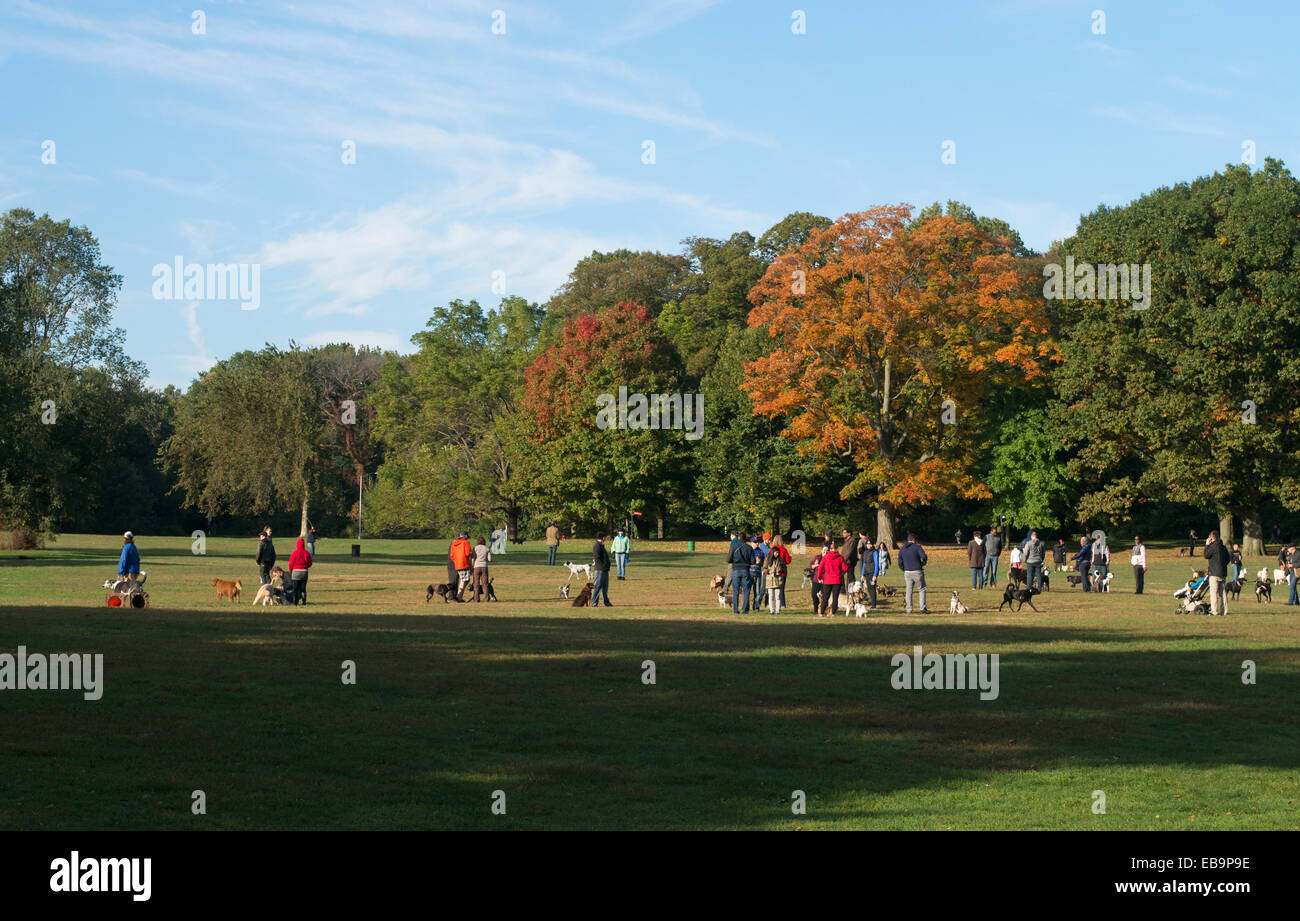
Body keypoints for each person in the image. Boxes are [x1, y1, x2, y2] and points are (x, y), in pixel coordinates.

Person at [898, 533, 930, 614]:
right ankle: (922, 608)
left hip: (907, 572)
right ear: (914, 540)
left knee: (909, 590)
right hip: (917, 571)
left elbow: (899, 561)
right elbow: (924, 556)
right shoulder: (917, 547)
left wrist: (904, 569)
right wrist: (923, 563)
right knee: (922, 589)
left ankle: (908, 609)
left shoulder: (902, 548)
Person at [816, 541, 849, 616]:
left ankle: (821, 613)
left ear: (830, 549)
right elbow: (845, 568)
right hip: (837, 580)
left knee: (825, 597)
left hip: (827, 580)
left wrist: (819, 577)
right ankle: (832, 613)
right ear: (837, 549)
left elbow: (820, 567)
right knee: (835, 597)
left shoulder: (826, 557)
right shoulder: (840, 557)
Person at [726, 533, 755, 614]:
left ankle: (735, 610)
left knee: (735, 592)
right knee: (746, 592)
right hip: (745, 570)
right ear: (745, 538)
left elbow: (728, 559)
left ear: (738, 538)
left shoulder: (733, 547)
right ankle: (745, 610)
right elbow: (753, 562)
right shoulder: (749, 548)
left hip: (735, 571)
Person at [1204, 531, 1230, 616]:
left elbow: (1206, 555)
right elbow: (1228, 559)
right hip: (1222, 573)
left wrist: (1207, 545)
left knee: (1213, 593)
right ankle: (1224, 611)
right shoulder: (1223, 547)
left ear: (1212, 538)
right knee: (1223, 593)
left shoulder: (1213, 547)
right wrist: (1222, 566)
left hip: (1214, 573)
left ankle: (1214, 611)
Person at [763, 535, 789, 614]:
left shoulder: (780, 560)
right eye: (776, 552)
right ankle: (772, 610)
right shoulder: (768, 559)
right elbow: (764, 568)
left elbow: (785, 567)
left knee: (778, 595)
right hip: (770, 579)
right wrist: (768, 572)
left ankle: (778, 610)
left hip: (778, 579)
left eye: (778, 553)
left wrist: (781, 571)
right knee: (771, 595)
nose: (777, 554)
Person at [288, 536, 313, 605]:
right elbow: (310, 563)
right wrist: (305, 567)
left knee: (295, 589)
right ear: (303, 545)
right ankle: (304, 602)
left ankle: (295, 602)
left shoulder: (294, 553)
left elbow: (291, 563)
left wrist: (291, 570)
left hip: (295, 572)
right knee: (303, 588)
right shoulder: (307, 553)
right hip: (304, 572)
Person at [590, 532, 613, 607]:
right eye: (604, 537)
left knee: (604, 587)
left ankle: (606, 602)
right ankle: (593, 603)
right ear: (602, 538)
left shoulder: (601, 545)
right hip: (600, 569)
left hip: (604, 569)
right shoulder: (597, 545)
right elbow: (597, 557)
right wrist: (603, 565)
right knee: (596, 586)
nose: (605, 539)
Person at [449, 532, 473, 601]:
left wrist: (457, 561)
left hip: (458, 564)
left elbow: (452, 556)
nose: (467, 537)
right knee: (464, 580)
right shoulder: (466, 542)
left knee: (465, 580)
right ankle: (459, 596)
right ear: (465, 536)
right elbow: (468, 553)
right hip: (464, 563)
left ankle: (459, 596)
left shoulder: (454, 543)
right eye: (467, 536)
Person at [470, 537, 492, 602]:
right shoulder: (486, 548)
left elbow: (473, 559)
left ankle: (476, 599)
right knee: (485, 584)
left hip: (476, 567)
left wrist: (471, 567)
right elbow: (489, 559)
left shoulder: (475, 548)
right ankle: (486, 598)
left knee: (476, 584)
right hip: (484, 567)